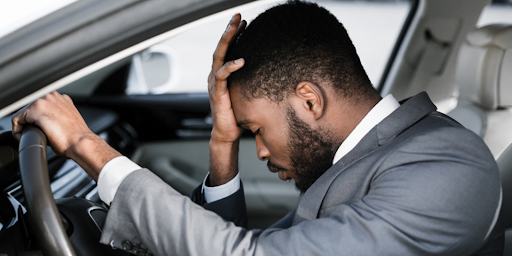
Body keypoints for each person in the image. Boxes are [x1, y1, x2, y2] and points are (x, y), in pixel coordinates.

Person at [12, 1, 503, 255]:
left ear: (308, 100)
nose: (261, 151)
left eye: (256, 130)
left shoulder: (447, 166)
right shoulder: (373, 157)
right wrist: (224, 143)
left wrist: (86, 146)